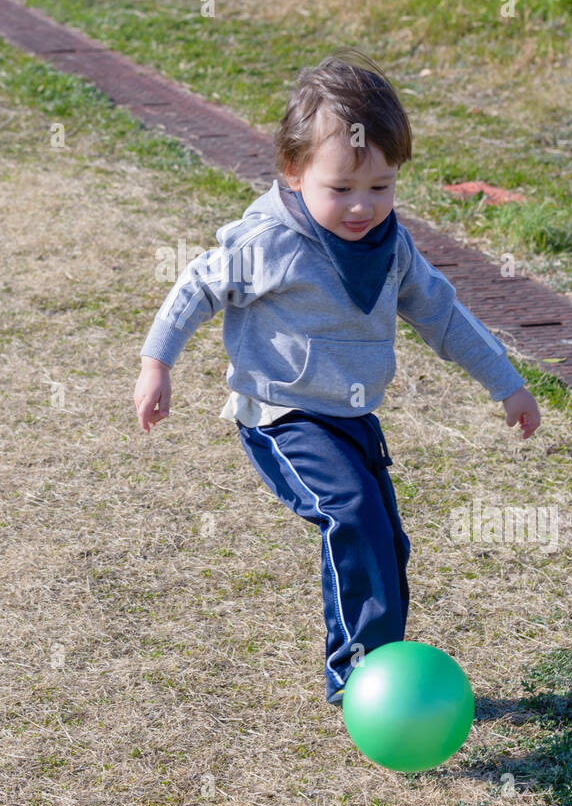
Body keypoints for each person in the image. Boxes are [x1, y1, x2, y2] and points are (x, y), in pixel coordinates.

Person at [134, 48, 541, 707]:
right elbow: (195, 289)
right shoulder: (269, 241)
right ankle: (357, 678)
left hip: (353, 417)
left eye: (380, 188)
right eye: (341, 189)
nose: (361, 208)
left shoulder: (391, 247)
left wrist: (507, 383)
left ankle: (388, 674)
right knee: (349, 514)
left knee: (388, 543)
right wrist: (158, 362)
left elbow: (443, 315)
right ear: (294, 174)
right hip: (284, 415)